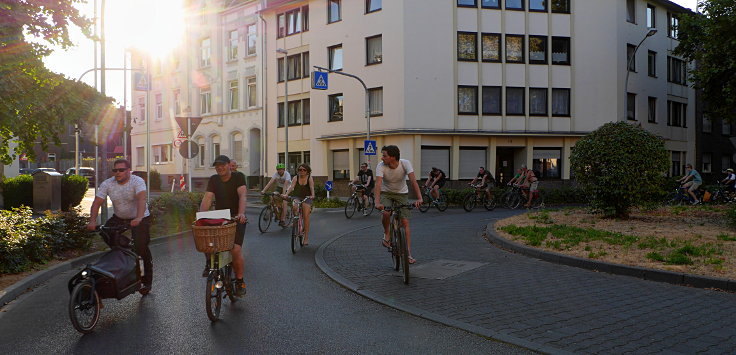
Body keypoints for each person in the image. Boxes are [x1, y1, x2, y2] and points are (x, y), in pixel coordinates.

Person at [87, 159, 152, 295]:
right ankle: (127, 253)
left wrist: (139, 217)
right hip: (119, 217)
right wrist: (92, 221)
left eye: (121, 170)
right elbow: (97, 203)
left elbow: (141, 199)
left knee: (141, 247)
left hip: (140, 217)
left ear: (128, 170)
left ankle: (146, 280)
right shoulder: (108, 183)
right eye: (115, 170)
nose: (117, 173)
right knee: (106, 233)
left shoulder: (137, 181)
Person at [199, 155, 248, 296]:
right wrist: (201, 217)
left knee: (235, 249)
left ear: (228, 165)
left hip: (236, 218)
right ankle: (209, 263)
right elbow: (207, 198)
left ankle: (239, 281)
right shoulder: (214, 179)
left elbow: (242, 195)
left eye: (222, 165)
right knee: (205, 239)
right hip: (220, 217)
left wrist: (241, 214)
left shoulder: (238, 177)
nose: (220, 168)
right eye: (217, 166)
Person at [375, 145, 423, 264]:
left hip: (401, 194)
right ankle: (387, 233)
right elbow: (378, 184)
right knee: (386, 212)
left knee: (405, 222)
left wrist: (420, 198)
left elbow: (413, 181)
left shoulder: (405, 164)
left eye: (384, 156)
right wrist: (377, 202)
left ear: (393, 157)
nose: (382, 158)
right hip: (386, 193)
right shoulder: (381, 166)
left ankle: (408, 254)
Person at [282, 163, 315, 245]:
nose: (302, 171)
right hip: (297, 196)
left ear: (307, 171)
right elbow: (291, 187)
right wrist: (286, 194)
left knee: (306, 216)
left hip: (307, 197)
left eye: (304, 170)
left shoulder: (309, 178)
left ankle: (306, 238)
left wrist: (312, 195)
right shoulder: (295, 178)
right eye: (300, 170)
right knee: (295, 206)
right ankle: (296, 218)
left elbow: (311, 187)